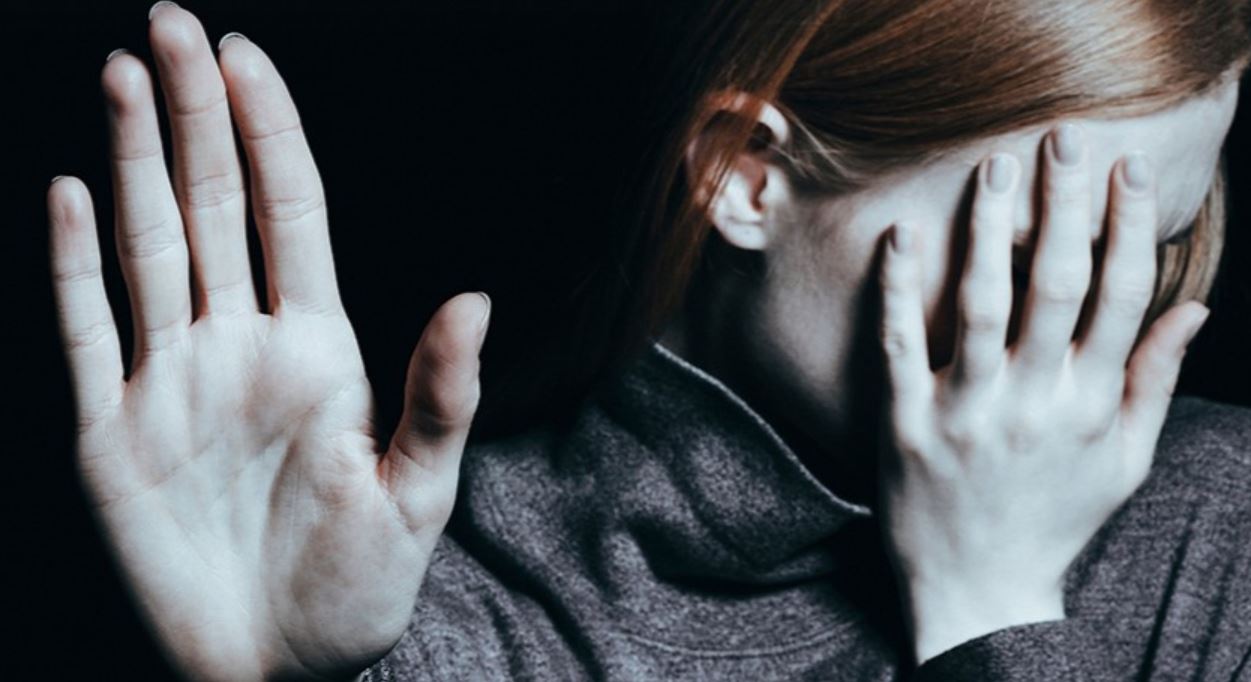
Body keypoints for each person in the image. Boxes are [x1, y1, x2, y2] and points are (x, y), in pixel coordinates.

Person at [46, 0, 1251, 680]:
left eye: (1156, 246)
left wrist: (995, 606)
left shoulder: (1221, 529)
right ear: (745, 175)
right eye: (1041, 253)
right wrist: (266, 676)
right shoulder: (414, 605)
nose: (1102, 328)